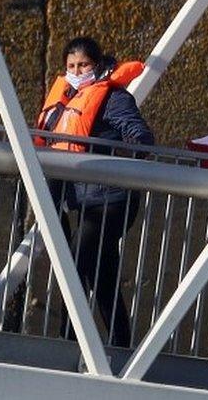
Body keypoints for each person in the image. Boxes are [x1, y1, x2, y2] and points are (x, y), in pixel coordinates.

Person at [35, 36, 154, 347]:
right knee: (103, 275)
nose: (77, 70)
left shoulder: (113, 98)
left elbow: (138, 132)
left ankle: (67, 341)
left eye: (83, 65)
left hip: (112, 201)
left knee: (75, 262)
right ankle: (121, 344)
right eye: (71, 66)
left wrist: (137, 150)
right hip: (84, 200)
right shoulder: (66, 101)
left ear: (97, 65)